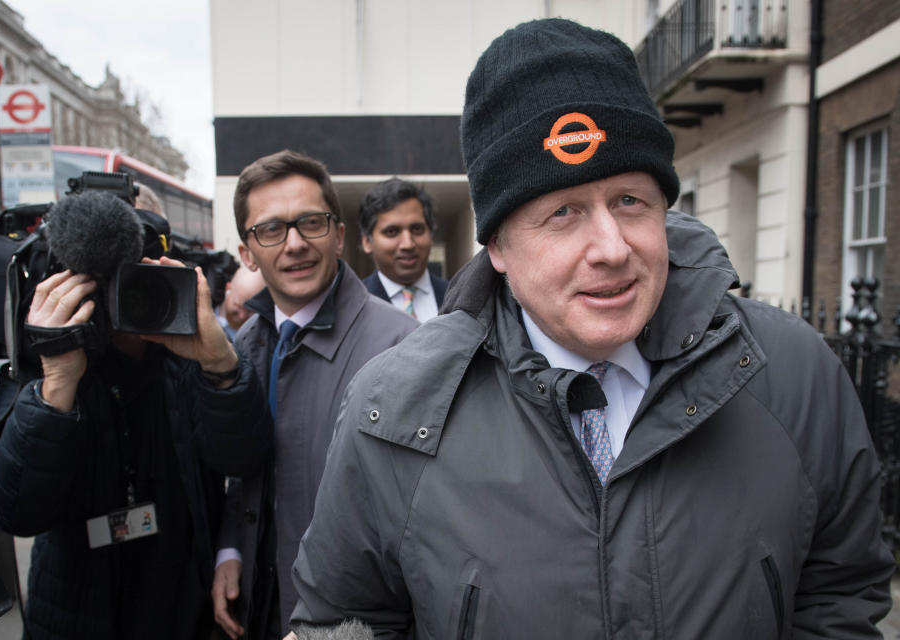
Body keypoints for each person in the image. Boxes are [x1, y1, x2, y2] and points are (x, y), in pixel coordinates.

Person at [288, 19, 895, 638]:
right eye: (562, 212)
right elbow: (343, 621)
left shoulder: (791, 373)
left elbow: (840, 593)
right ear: (497, 244)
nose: (610, 248)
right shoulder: (391, 413)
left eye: (630, 200)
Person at [0, 192, 271, 639]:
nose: (120, 298)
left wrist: (221, 366)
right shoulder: (48, 360)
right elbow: (13, 512)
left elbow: (244, 457)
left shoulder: (187, 357)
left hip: (182, 606)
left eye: (134, 276)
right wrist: (56, 383)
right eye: (104, 281)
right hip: (76, 613)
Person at [210, 150, 418, 639]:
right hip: (260, 609)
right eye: (271, 229)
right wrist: (231, 548)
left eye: (311, 222)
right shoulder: (247, 345)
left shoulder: (402, 347)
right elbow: (246, 473)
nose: (295, 244)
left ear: (340, 235)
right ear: (247, 253)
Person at [359, 178, 448, 321]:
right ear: (367, 242)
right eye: (392, 232)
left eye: (417, 229)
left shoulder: (459, 298)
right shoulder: (353, 305)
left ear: (431, 233)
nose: (408, 244)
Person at [216, 265, 267, 341]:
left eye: (250, 311)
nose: (242, 316)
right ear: (227, 289)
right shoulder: (200, 313)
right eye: (238, 306)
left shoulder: (258, 338)